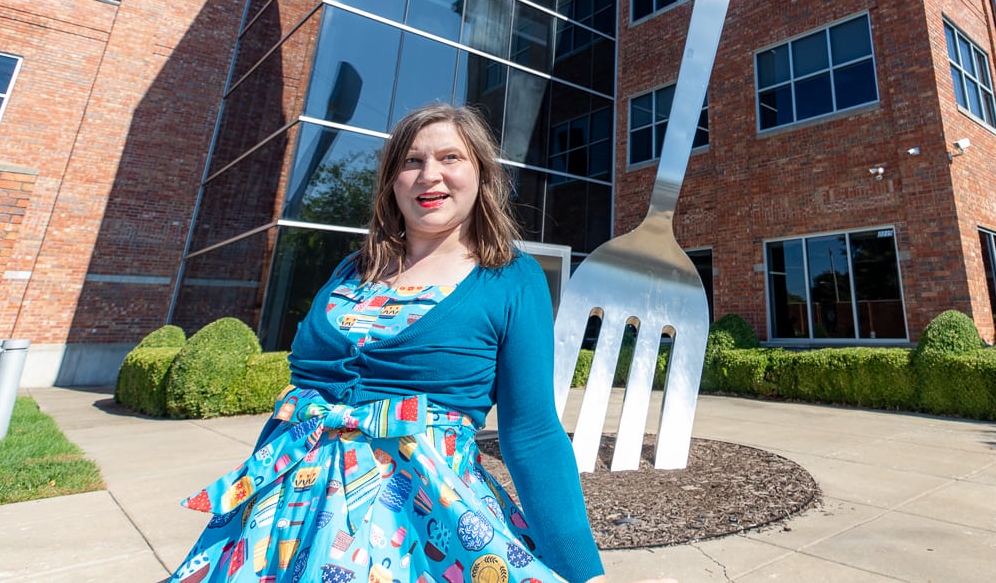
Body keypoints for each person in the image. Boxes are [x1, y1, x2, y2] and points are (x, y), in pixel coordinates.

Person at [170, 103, 675, 583]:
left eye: (450, 157)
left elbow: (533, 432)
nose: (429, 175)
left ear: (481, 173)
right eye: (412, 161)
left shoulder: (511, 278)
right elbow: (300, 403)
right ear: (393, 182)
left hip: (419, 522)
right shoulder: (352, 269)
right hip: (284, 512)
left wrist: (582, 568)